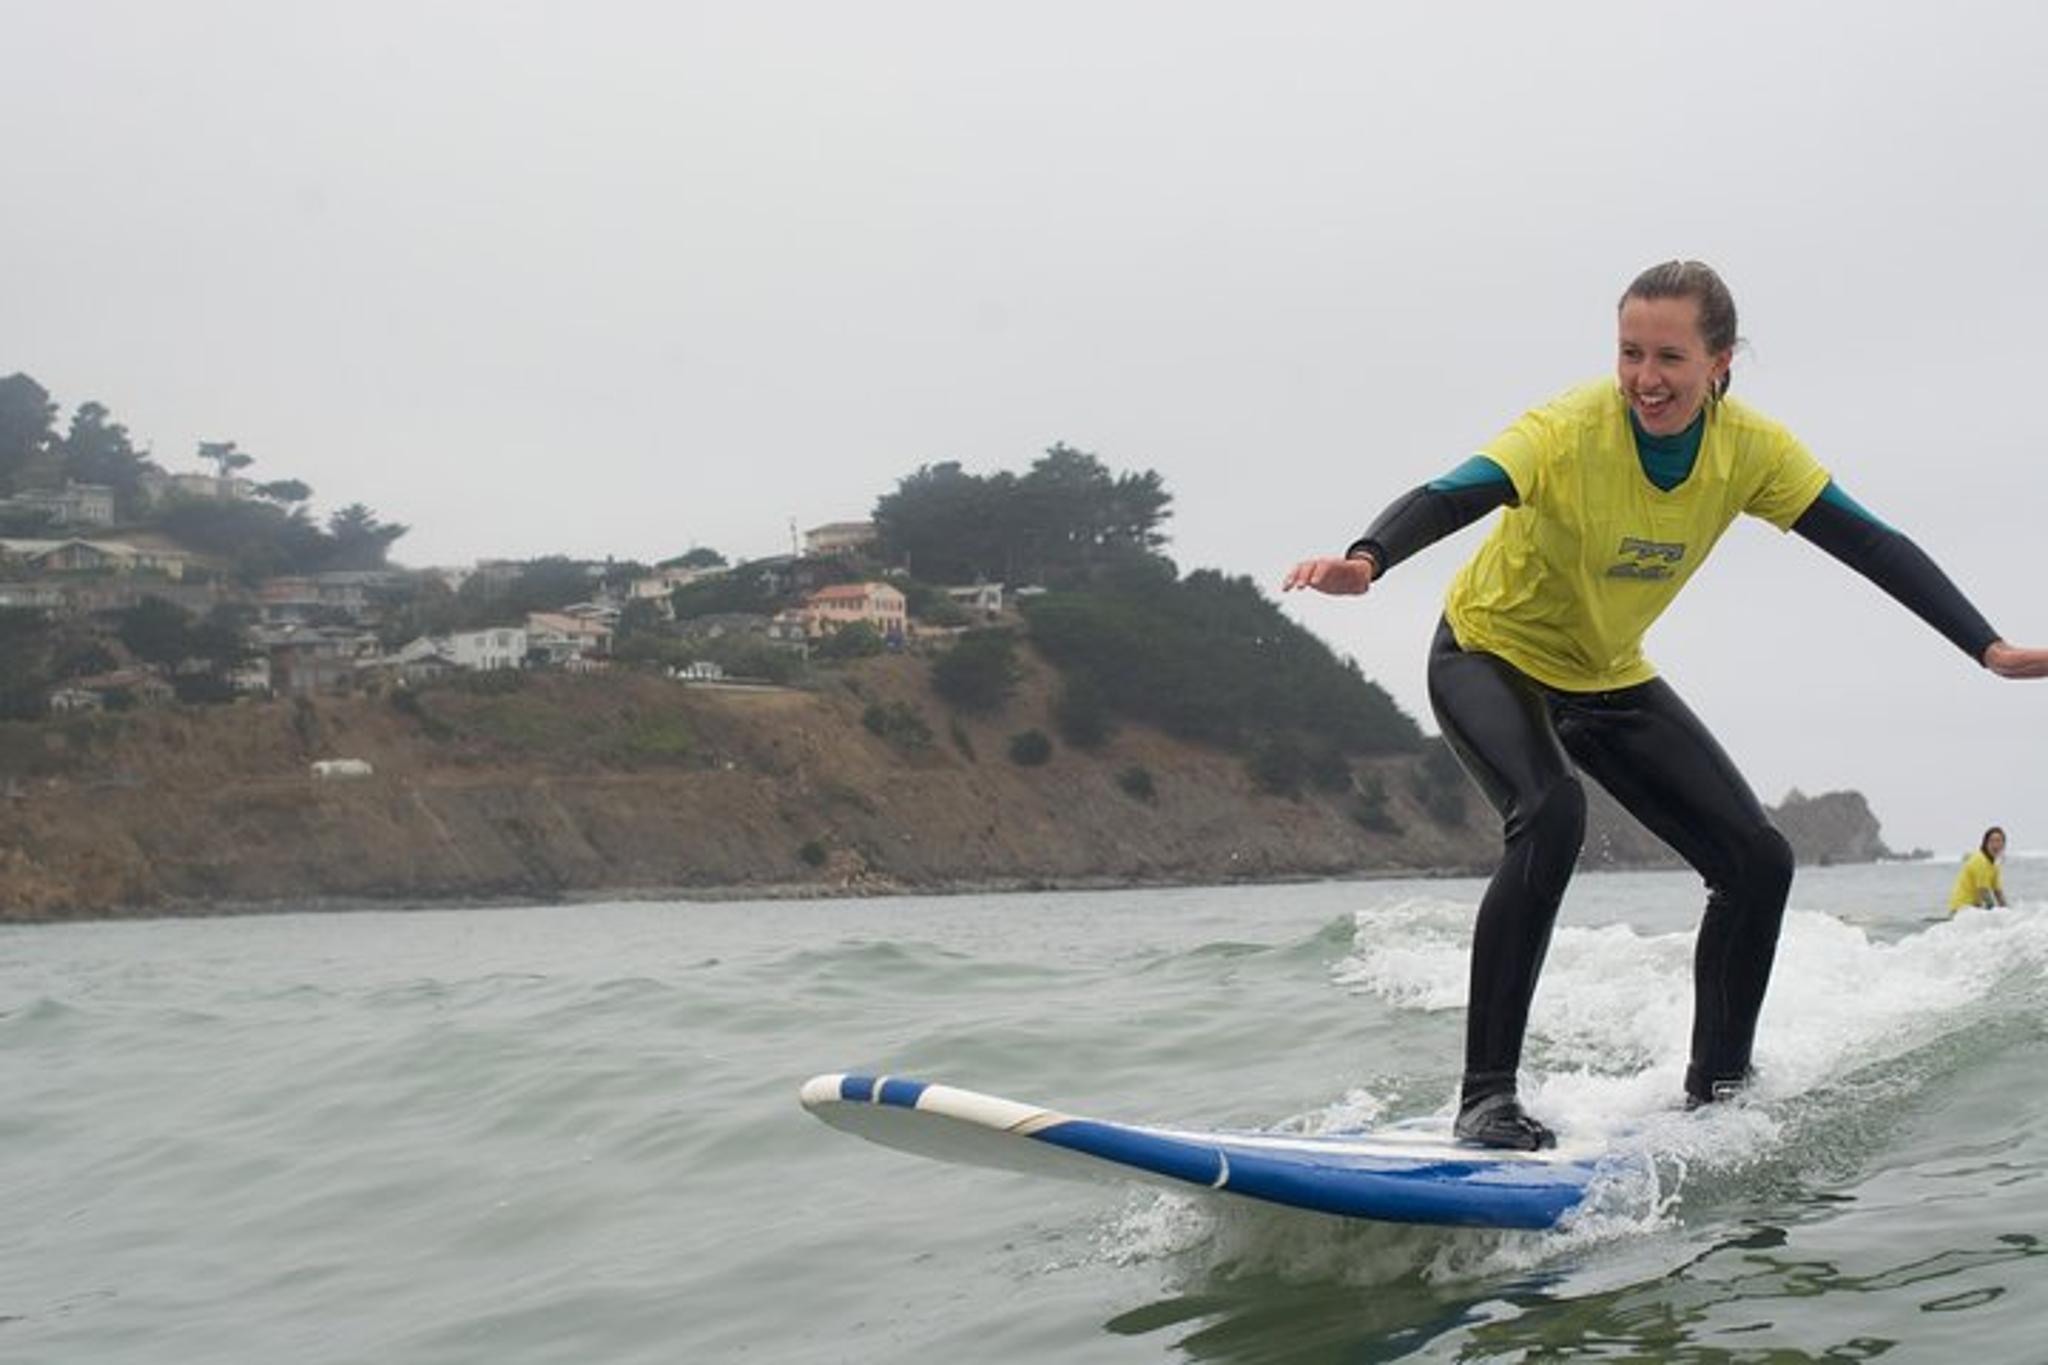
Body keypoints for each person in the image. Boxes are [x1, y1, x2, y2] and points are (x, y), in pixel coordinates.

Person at [1283, 260, 2048, 1151]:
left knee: (1758, 859)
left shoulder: (1752, 451)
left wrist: (1986, 647)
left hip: (1605, 673)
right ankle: (1485, 1098)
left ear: (1720, 362)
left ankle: (1718, 1092)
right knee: (1551, 810)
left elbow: (1870, 541)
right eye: (1630, 352)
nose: (1646, 378)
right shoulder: (1569, 429)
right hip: (1487, 651)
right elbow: (1458, 490)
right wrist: (1369, 557)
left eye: (1671, 358)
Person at [1949, 827, 2008, 913]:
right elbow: (1983, 891)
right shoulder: (1980, 860)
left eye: (1999, 841)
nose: (1995, 844)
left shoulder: (1994, 865)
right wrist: (1995, 913)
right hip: (1961, 910)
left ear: (2003, 844)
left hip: (1974, 909)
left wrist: (2008, 912)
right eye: (1992, 841)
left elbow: (1998, 893)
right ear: (1985, 843)